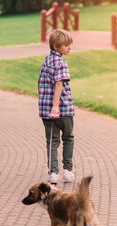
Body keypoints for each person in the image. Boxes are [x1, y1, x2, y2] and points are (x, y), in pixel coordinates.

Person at [38, 29, 75, 184]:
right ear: (55, 46)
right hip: (63, 108)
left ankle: (53, 173)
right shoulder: (61, 63)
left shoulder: (46, 61)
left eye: (69, 45)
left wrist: (48, 106)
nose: (69, 48)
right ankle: (67, 170)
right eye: (65, 45)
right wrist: (55, 107)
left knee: (52, 141)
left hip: (46, 110)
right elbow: (58, 85)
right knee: (68, 138)